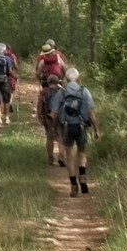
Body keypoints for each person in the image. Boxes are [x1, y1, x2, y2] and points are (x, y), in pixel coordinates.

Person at [55, 64, 96, 195]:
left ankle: (73, 185)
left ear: (65, 79)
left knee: (69, 155)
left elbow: (54, 114)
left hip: (67, 127)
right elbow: (90, 112)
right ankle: (82, 175)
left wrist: (57, 130)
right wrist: (97, 129)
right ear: (79, 78)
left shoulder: (61, 92)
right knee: (82, 152)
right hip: (82, 126)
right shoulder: (84, 91)